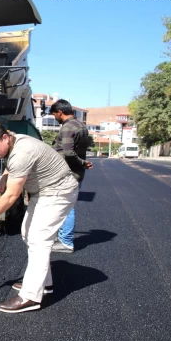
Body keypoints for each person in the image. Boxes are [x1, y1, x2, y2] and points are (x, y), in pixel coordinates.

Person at [0, 121, 79, 313]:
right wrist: (6, 174)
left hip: (58, 191)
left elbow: (12, 196)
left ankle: (30, 296)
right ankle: (44, 284)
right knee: (27, 233)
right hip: (44, 191)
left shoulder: (22, 153)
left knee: (39, 239)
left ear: (5, 137)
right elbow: (10, 159)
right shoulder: (12, 139)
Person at [49, 99, 93, 253]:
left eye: (54, 114)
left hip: (67, 173)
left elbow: (68, 152)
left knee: (66, 207)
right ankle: (62, 237)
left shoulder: (67, 127)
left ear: (59, 112)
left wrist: (81, 162)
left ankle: (66, 242)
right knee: (65, 205)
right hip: (76, 173)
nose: (55, 117)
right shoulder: (81, 125)